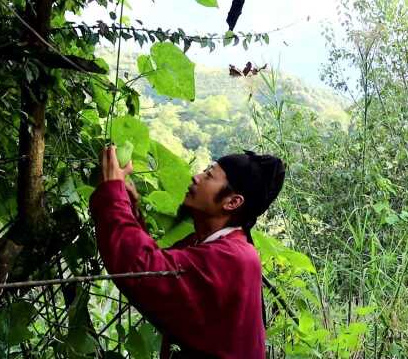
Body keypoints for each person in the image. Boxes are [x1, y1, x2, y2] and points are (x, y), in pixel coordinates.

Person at [89, 145, 286, 359]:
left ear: (232, 202)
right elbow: (157, 275)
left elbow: (142, 271)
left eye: (209, 176)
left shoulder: (233, 258)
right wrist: (129, 206)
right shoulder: (210, 244)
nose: (196, 177)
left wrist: (113, 193)